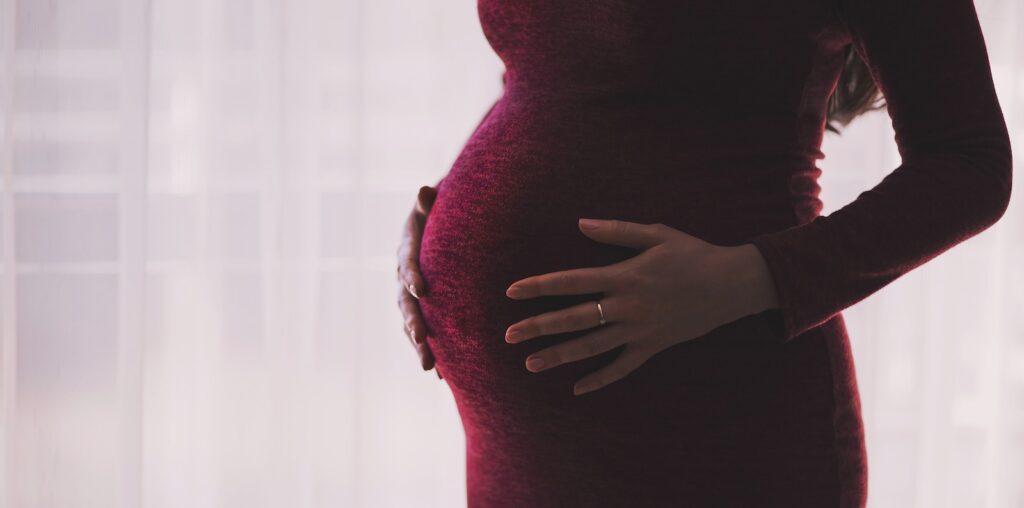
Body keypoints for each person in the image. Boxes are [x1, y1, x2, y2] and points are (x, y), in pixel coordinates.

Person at [395, 0, 1012, 505]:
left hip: (709, 420)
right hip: (517, 451)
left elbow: (970, 164)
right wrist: (444, 213)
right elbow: (552, 78)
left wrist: (747, 278)